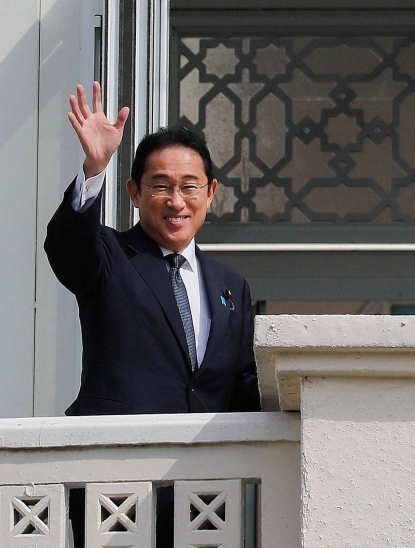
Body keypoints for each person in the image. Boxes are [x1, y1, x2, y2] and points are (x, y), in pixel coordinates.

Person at [45, 82, 259, 544]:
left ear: (212, 192)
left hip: (206, 496)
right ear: (135, 193)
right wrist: (94, 168)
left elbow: (243, 387)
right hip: (115, 487)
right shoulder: (109, 255)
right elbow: (69, 247)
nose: (176, 201)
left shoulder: (231, 287)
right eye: (160, 186)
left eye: (189, 186)